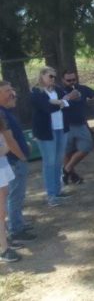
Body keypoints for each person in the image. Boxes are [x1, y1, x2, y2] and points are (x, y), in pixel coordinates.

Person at [61, 70, 94, 185]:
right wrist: (68, 97)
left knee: (86, 147)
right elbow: (56, 104)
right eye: (68, 80)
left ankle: (67, 169)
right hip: (65, 126)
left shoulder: (82, 89)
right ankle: (72, 175)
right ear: (63, 80)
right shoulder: (59, 91)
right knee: (67, 152)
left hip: (81, 124)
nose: (72, 82)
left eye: (74, 79)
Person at [31, 67, 72, 207]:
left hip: (61, 128)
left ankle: (58, 190)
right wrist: (61, 102)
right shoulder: (36, 92)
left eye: (54, 76)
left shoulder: (57, 89)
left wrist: (59, 102)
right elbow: (46, 108)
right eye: (50, 76)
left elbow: (68, 103)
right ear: (42, 76)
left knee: (58, 161)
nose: (53, 79)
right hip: (46, 131)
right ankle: (51, 195)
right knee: (49, 162)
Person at [0, 82, 34, 243]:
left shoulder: (6, 111)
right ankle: (16, 229)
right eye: (7, 91)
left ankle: (17, 223)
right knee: (15, 196)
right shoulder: (2, 114)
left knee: (16, 195)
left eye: (12, 90)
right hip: (14, 161)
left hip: (14, 160)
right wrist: (22, 156)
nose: (12, 93)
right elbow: (9, 140)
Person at [0, 116, 21, 262]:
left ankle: (4, 240)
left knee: (2, 208)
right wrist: (7, 144)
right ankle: (3, 249)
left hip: (2, 167)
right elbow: (4, 147)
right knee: (1, 212)